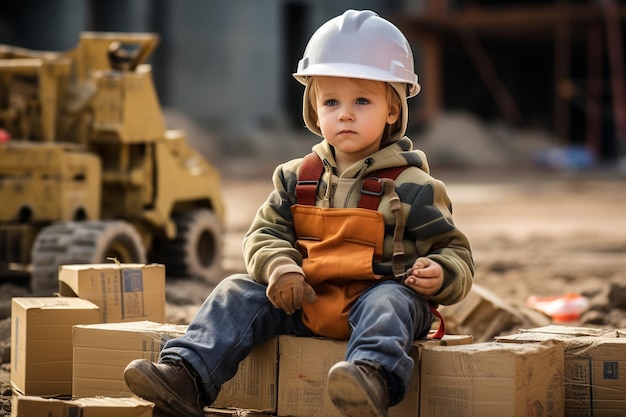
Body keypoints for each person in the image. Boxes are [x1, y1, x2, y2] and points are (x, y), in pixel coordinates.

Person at [124, 9, 474, 417]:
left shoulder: (415, 186)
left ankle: (368, 380)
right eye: (331, 101)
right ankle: (186, 376)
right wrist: (280, 268)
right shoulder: (296, 177)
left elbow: (455, 253)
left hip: (376, 301)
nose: (345, 113)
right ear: (314, 109)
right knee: (236, 291)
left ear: (393, 110)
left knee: (390, 302)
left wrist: (440, 273)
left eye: (362, 100)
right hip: (304, 300)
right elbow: (263, 234)